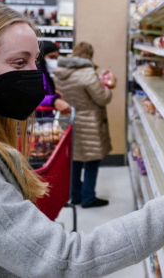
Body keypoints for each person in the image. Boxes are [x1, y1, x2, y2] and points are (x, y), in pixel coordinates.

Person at [0, 2, 164, 277]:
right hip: (91, 124)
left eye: (36, 62)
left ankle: (81, 195)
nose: (36, 75)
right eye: (19, 62)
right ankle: (87, 196)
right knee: (89, 163)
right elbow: (65, 259)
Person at [52, 41, 112, 208]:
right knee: (92, 160)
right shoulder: (87, 72)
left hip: (68, 119)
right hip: (89, 122)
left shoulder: (59, 71)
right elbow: (102, 98)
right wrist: (107, 87)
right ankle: (88, 198)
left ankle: (74, 195)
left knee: (74, 159)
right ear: (89, 55)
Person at [37, 40, 70, 113]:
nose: (54, 61)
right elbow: (32, 98)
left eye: (56, 58)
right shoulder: (38, 74)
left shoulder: (44, 73)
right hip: (39, 119)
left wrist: (51, 92)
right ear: (41, 55)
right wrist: (53, 100)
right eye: (51, 57)